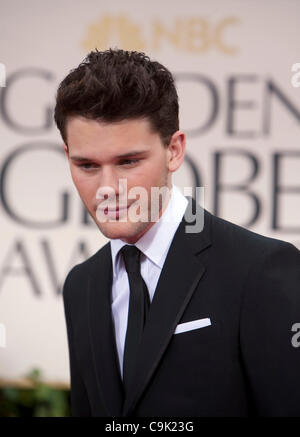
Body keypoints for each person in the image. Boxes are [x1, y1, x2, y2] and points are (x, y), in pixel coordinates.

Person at [54, 48, 300, 417]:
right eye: (87, 165)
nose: (107, 188)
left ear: (174, 150)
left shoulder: (259, 271)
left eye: (128, 162)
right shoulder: (81, 285)